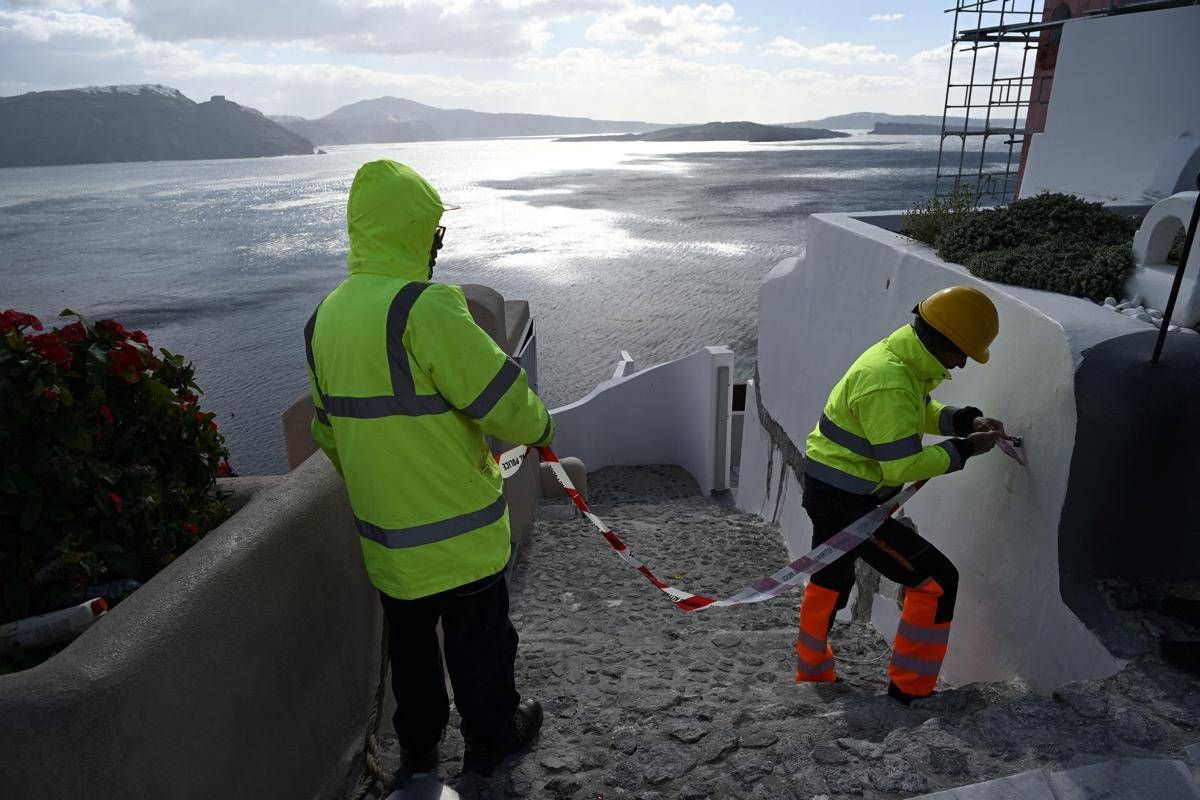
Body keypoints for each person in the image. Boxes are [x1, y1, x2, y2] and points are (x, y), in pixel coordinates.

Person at [304, 160, 555, 777]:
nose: (438, 248)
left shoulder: (324, 321)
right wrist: (543, 429)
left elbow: (328, 435)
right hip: (461, 536)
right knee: (482, 648)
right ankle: (493, 739)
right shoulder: (426, 308)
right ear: (416, 232)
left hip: (390, 544)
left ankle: (418, 752)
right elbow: (502, 399)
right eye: (435, 234)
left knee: (412, 655)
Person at [794, 286, 1004, 704]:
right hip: (847, 503)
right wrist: (967, 449)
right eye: (962, 352)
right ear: (941, 342)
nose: (962, 363)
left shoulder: (902, 361)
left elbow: (915, 412)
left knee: (831, 577)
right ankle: (910, 693)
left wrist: (964, 419)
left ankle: (813, 673)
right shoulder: (889, 380)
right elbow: (902, 466)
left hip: (833, 491)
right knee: (937, 582)